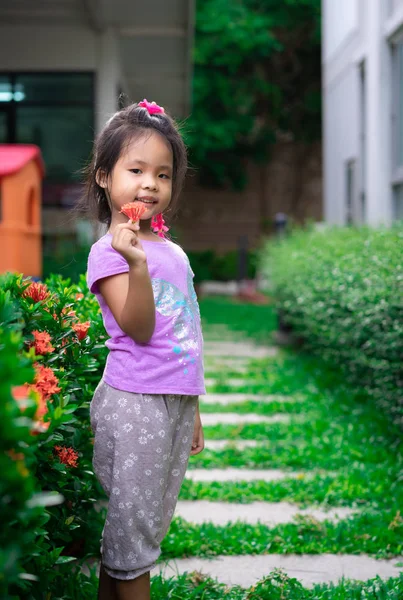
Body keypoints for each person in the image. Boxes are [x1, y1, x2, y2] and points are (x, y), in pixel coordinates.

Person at [84, 99, 205, 600]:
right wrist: (133, 262)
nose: (150, 184)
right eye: (135, 170)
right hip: (134, 403)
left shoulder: (172, 251)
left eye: (163, 173)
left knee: (139, 532)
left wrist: (193, 406)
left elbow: (185, 337)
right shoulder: (108, 252)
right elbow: (137, 327)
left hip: (172, 403)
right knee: (133, 544)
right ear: (104, 178)